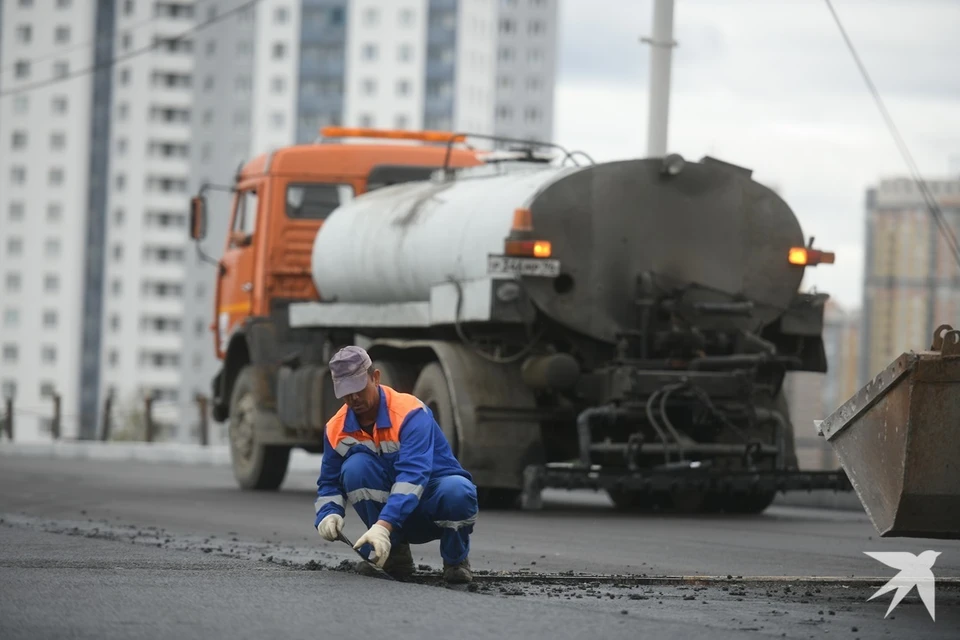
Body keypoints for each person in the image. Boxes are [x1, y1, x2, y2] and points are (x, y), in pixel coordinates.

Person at [312, 346, 478, 583]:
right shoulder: (335, 429)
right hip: (393, 520)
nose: (354, 398)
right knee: (355, 468)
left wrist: (382, 527)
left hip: (430, 505)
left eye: (358, 388)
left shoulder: (410, 413)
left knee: (458, 490)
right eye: (346, 392)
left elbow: (413, 477)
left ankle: (455, 560)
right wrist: (328, 514)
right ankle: (394, 556)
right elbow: (328, 483)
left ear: (375, 377)